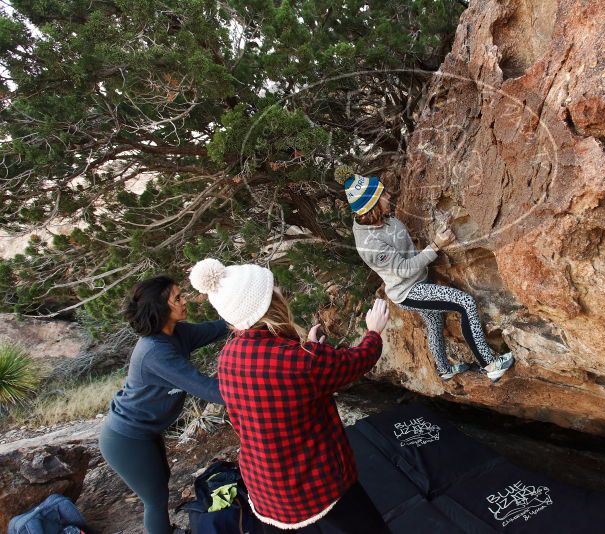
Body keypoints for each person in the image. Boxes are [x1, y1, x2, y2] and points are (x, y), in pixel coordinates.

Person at [189, 258, 392, 533]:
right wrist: (373, 331)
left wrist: (308, 349)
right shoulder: (302, 362)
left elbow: (279, 385)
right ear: (269, 305)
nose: (281, 291)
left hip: (264, 485)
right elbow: (358, 361)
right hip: (317, 481)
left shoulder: (228, 357)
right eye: (275, 289)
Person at [336, 167, 514, 382]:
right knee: (464, 302)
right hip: (408, 290)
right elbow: (405, 270)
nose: (389, 196)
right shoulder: (369, 244)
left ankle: (444, 369)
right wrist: (436, 245)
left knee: (435, 322)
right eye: (383, 194)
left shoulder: (379, 218)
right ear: (372, 204)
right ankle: (490, 364)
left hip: (417, 281)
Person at [99, 275, 228, 534]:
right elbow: (206, 388)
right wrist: (259, 393)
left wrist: (251, 313)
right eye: (178, 298)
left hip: (145, 431)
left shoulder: (178, 333)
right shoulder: (155, 351)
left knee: (160, 485)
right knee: (155, 500)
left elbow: (220, 327)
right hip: (126, 437)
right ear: (161, 308)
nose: (184, 300)